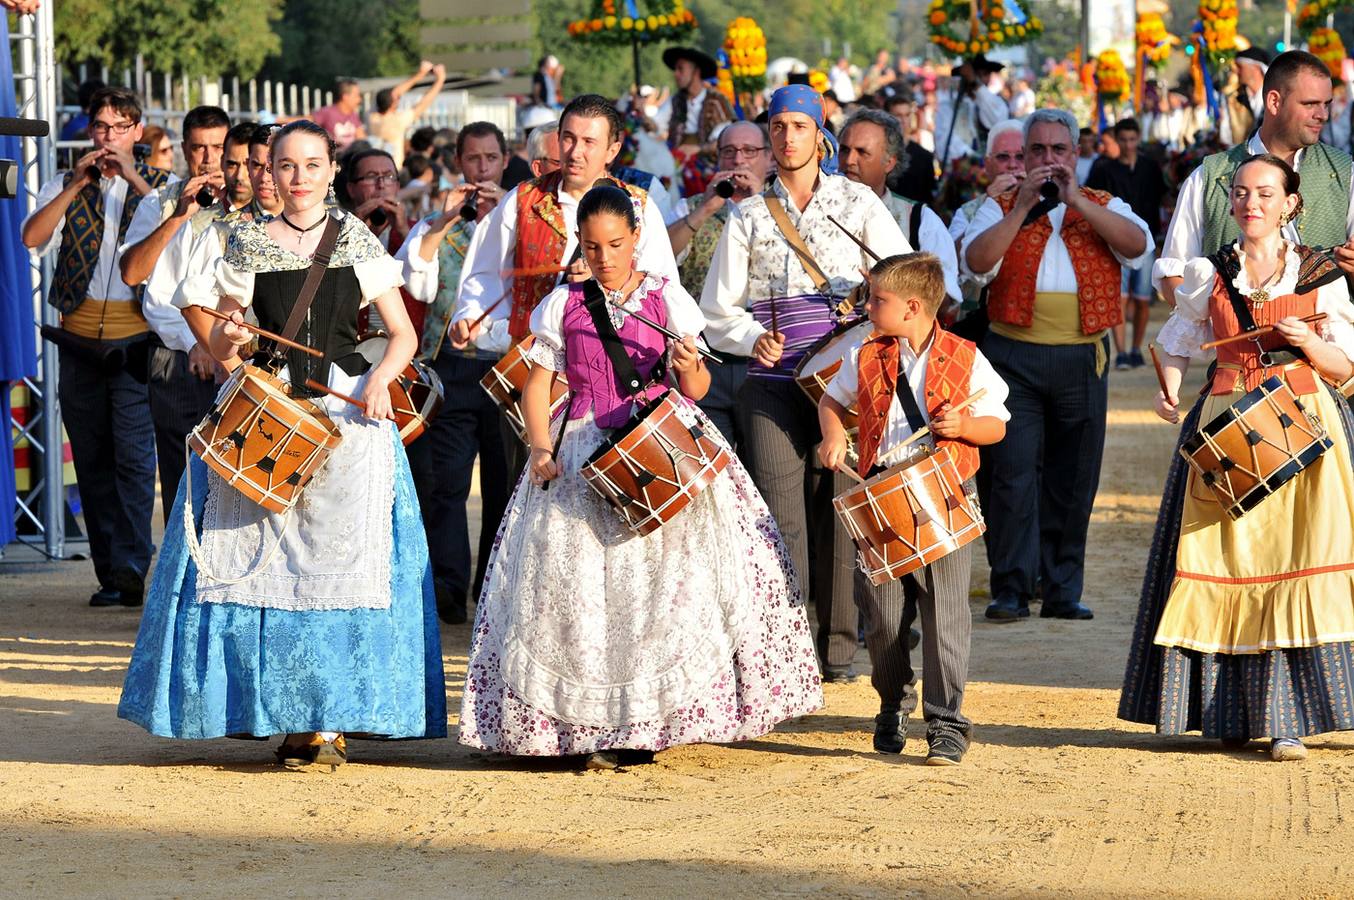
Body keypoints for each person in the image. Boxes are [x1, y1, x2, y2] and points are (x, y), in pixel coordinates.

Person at [458, 184, 822, 768]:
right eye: (593, 245)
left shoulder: (669, 300)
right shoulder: (560, 305)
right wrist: (541, 447)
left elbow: (698, 388)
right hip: (579, 447)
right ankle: (585, 725)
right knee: (581, 596)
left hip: (662, 447)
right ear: (580, 242)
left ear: (636, 239)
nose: (604, 257)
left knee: (664, 593)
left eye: (616, 244)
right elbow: (536, 385)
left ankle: (646, 723)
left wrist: (687, 368)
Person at [119, 120, 446, 768]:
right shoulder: (243, 241)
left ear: (331, 171)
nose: (298, 177)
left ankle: (330, 720)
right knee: (259, 568)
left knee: (343, 572)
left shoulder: (356, 239)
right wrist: (233, 338)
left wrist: (381, 379)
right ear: (273, 170)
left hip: (344, 420)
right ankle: (282, 717)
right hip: (266, 411)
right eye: (287, 166)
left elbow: (403, 333)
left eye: (312, 165)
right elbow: (222, 342)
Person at [1120, 153, 1354, 761]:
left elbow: (1347, 367)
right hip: (1225, 425)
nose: (1252, 204)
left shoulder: (1320, 275)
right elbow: (1177, 341)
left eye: (1266, 194)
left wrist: (1307, 344)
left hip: (1305, 433)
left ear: (1290, 204)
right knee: (1223, 562)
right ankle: (1227, 711)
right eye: (1243, 193)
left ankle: (1290, 720)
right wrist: (1170, 387)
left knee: (1298, 560)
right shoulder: (1207, 273)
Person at [700, 84, 910, 682]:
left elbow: (902, 277)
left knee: (841, 511)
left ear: (822, 133)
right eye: (778, 126)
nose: (787, 136)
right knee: (779, 516)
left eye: (799, 125)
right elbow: (718, 308)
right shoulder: (745, 216)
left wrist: (869, 304)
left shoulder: (861, 204)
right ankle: (785, 651)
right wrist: (748, 339)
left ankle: (839, 649)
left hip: (845, 383)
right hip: (770, 382)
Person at [962, 108, 1153, 622]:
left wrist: (1075, 203)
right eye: (1038, 150)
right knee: (1011, 475)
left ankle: (1063, 586)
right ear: (1023, 157)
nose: (1049, 159)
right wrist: (1021, 206)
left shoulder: (1104, 204)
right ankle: (1011, 586)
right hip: (1012, 358)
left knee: (1074, 477)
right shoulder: (998, 206)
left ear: (1076, 154)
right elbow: (976, 264)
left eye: (1059, 150)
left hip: (1081, 356)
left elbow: (1138, 248)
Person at [818, 252, 1009, 764]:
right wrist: (835, 434)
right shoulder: (866, 350)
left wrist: (964, 428)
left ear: (912, 307)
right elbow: (831, 402)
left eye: (876, 300)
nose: (866, 306)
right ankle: (893, 702)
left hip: (945, 491)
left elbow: (996, 424)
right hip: (882, 492)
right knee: (881, 617)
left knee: (945, 613)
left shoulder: (967, 356)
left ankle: (947, 723)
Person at [21, 87, 174, 608]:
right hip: (80, 337)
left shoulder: (161, 186)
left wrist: (130, 174)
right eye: (100, 127)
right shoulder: (63, 181)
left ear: (136, 131)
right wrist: (77, 185)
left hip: (135, 338)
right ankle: (111, 572)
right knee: (91, 457)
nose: (107, 136)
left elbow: (170, 236)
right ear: (90, 131)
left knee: (133, 458)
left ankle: (133, 565)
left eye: (118, 126)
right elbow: (32, 237)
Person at [399, 122, 512, 625]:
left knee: (505, 485)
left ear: (504, 160)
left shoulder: (522, 217)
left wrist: (505, 212)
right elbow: (414, 281)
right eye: (473, 159)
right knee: (445, 481)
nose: (482, 169)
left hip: (508, 367)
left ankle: (492, 585)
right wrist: (445, 220)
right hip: (451, 367)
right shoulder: (441, 222)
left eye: (491, 158)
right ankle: (447, 585)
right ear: (458, 163)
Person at [119, 107, 239, 523]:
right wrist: (180, 214)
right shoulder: (161, 201)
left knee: (241, 479)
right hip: (176, 360)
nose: (208, 158)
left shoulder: (255, 203)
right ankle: (181, 583)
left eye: (218, 148)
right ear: (185, 151)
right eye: (198, 148)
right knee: (182, 486)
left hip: (241, 359)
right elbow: (134, 273)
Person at [1157, 51, 1354, 303]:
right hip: (1232, 339)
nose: (1323, 115)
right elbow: (1173, 274)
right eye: (1310, 104)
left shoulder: (1344, 172)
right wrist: (1220, 318)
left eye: (1326, 104)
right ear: (1274, 102)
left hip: (1318, 339)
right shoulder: (1209, 176)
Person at [669, 120, 772, 456]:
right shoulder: (693, 205)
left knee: (764, 466)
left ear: (768, 158)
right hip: (705, 361)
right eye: (729, 152)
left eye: (749, 151)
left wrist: (759, 202)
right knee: (714, 465)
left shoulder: (780, 207)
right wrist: (707, 208)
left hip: (762, 359)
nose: (738, 160)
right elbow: (660, 255)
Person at [838, 109, 961, 305]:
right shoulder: (815, 209)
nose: (849, 160)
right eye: (844, 149)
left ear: (889, 162)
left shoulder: (920, 219)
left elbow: (944, 298)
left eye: (862, 152)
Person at [1087, 118, 1166, 370]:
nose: (1129, 144)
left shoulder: (1150, 167)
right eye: (1124, 139)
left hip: (1146, 240)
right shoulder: (1103, 169)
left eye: (1133, 139)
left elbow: (1162, 198)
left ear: (1138, 138)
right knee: (1118, 297)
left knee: (1142, 298)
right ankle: (1121, 351)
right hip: (1113, 242)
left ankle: (1135, 348)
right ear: (1116, 140)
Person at [368, 60, 447, 169]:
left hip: (373, 166)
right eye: (397, 100)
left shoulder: (372, 117)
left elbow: (392, 95)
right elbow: (423, 103)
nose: (398, 99)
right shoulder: (397, 121)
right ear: (392, 105)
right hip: (393, 169)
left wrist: (421, 74)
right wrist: (440, 79)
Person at [881, 91, 937, 205]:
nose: (903, 120)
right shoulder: (878, 153)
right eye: (898, 115)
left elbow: (928, 196)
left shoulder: (924, 156)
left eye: (907, 115)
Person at [1222, 47, 1270, 147]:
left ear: (1256, 68)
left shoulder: (1274, 97)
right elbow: (1225, 136)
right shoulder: (1233, 99)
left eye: (1240, 67)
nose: (1236, 72)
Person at [312, 78, 367, 152]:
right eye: (357, 96)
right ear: (345, 96)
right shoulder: (327, 112)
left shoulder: (353, 115)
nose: (359, 100)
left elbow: (361, 137)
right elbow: (306, 122)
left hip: (351, 155)